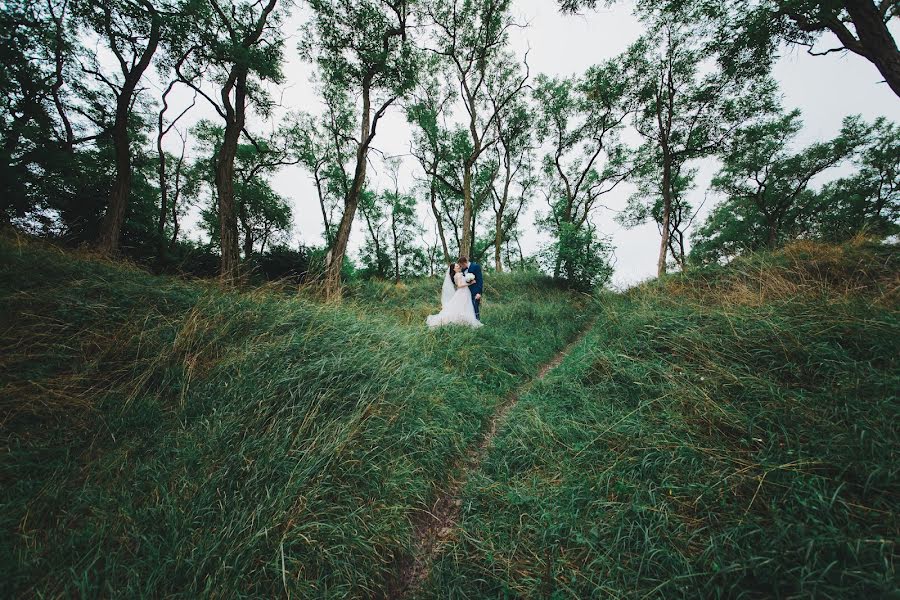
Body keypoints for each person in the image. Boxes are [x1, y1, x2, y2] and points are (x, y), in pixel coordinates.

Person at [425, 261, 483, 329]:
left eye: (458, 265)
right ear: (454, 269)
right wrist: (470, 283)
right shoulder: (458, 275)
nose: (458, 266)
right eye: (456, 266)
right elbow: (459, 285)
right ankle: (461, 321)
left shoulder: (459, 274)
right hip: (462, 292)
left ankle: (463, 322)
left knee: (463, 307)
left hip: (465, 292)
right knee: (462, 306)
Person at [457, 256, 483, 321]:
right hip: (466, 292)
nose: (461, 267)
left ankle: (477, 322)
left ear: (464, 263)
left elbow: (480, 280)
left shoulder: (476, 266)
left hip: (475, 291)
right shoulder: (463, 270)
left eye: (461, 265)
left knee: (475, 307)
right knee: (468, 308)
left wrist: (479, 293)